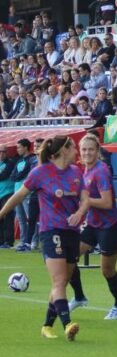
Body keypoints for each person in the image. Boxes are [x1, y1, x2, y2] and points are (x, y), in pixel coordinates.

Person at [0, 136, 90, 341]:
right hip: (51, 231)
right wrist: (2, 213)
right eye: (74, 147)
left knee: (63, 281)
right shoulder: (40, 172)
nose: (77, 151)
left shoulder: (76, 172)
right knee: (58, 280)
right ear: (64, 150)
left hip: (72, 232)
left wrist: (79, 213)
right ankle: (67, 324)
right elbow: (19, 195)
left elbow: (85, 199)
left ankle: (47, 326)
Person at [75, 134, 117, 320]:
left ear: (97, 151)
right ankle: (79, 297)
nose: (87, 153)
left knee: (107, 270)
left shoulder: (101, 171)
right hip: (93, 224)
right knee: (69, 257)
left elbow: (107, 203)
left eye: (91, 149)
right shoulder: (84, 171)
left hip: (109, 226)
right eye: (84, 149)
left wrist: (86, 201)